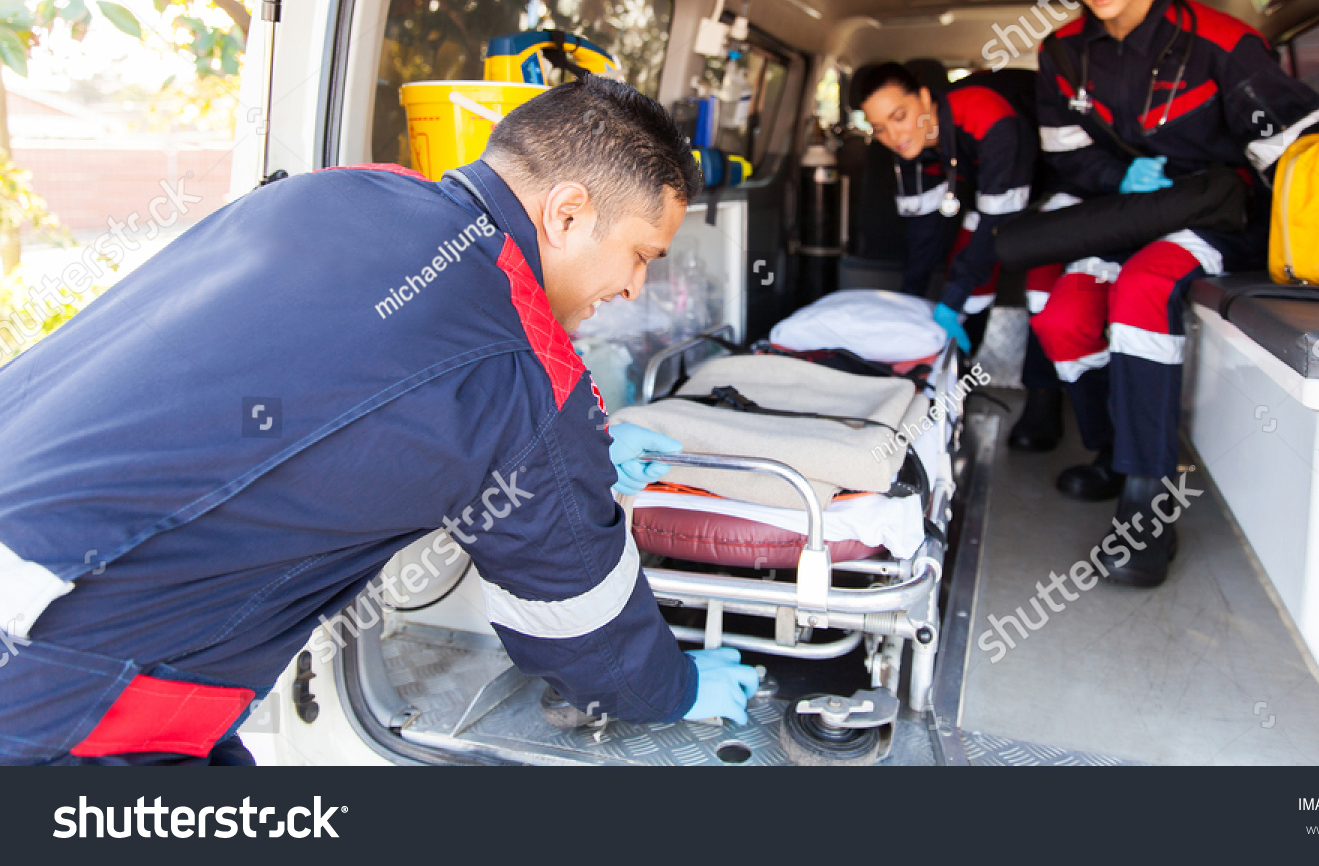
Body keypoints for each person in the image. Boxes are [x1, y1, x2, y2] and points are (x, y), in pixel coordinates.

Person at [0, 75, 758, 765]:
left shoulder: (335, 192)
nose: (634, 285)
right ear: (566, 212)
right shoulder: (519, 363)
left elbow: (342, 401)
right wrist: (673, 690)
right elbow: (583, 631)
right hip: (63, 677)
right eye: (638, 253)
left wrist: (564, 451)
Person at [1030, 0, 1319, 586]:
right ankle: (1109, 449)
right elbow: (1064, 148)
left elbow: (1297, 156)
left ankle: (1146, 501)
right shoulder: (1062, 52)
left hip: (1218, 212)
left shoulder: (1223, 44)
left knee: (1143, 287)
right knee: (1065, 314)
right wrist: (1118, 177)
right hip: (1127, 208)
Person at [852, 62, 1065, 450]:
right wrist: (911, 311)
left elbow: (999, 220)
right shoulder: (909, 144)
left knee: (1041, 287)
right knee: (967, 274)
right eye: (879, 127)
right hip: (997, 192)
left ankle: (1043, 398)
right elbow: (923, 235)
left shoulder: (988, 116)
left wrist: (950, 298)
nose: (893, 134)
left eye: (899, 116)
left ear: (926, 99)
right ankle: (954, 379)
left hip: (1057, 186)